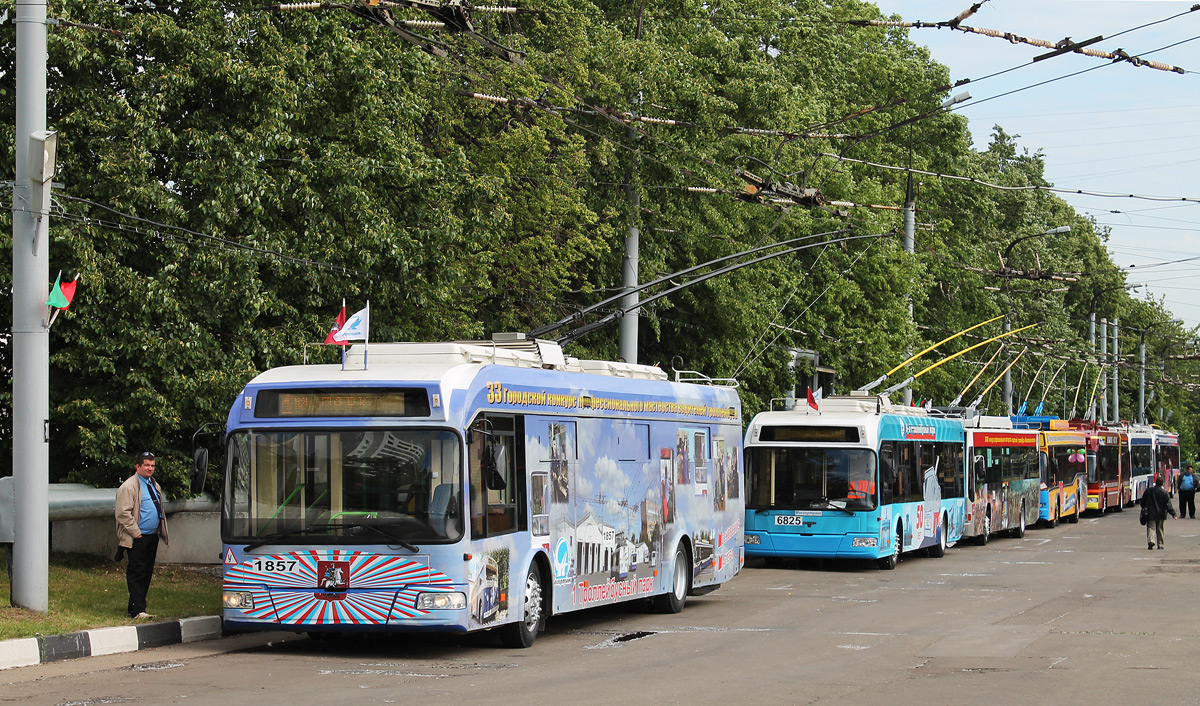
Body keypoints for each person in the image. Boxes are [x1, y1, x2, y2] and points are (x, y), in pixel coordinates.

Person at [114, 452, 169, 619]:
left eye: (152, 465)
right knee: (137, 572)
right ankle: (138, 610)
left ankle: (137, 606)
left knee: (146, 572)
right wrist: (136, 533)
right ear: (138, 467)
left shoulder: (153, 484)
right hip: (137, 537)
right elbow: (123, 513)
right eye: (146, 465)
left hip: (151, 536)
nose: (150, 468)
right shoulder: (129, 486)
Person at [1140, 476, 1176, 550]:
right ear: (1162, 483)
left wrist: (1144, 508)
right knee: (1160, 529)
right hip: (1161, 514)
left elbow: (1143, 501)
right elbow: (1168, 504)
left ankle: (1151, 541)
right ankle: (1160, 544)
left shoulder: (1149, 491)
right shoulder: (1164, 492)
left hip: (1150, 513)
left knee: (1151, 527)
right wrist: (1173, 514)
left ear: (1155, 483)